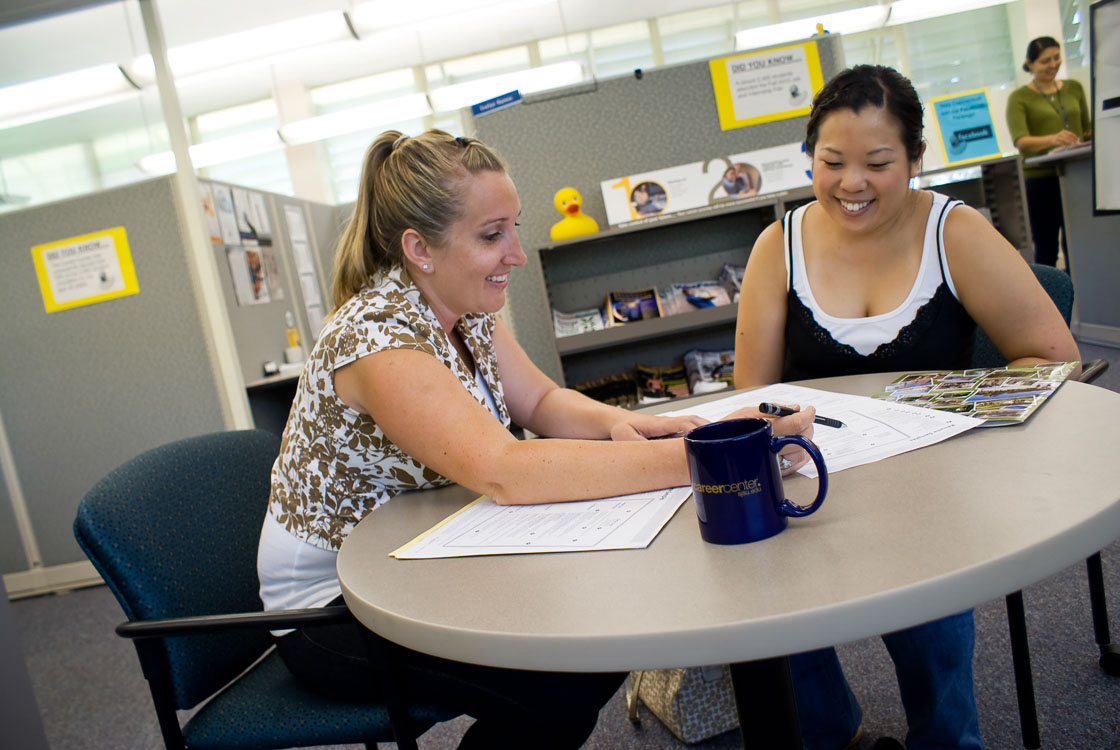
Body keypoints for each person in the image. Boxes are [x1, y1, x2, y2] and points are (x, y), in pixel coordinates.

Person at [258, 129, 815, 749]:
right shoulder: (376, 336)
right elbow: (506, 469)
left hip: (418, 550)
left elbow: (542, 401)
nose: (517, 255)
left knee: (587, 636)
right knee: (563, 674)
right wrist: (704, 458)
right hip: (336, 604)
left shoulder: (461, 305)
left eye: (513, 228)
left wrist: (620, 425)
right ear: (419, 248)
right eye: (492, 235)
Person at [733, 65, 1081, 750]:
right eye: (830, 162)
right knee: (770, 616)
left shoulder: (954, 231)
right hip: (813, 491)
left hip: (931, 494)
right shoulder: (779, 245)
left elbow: (1052, 357)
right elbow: (752, 399)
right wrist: (775, 424)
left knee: (933, 636)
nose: (850, 183)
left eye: (878, 163)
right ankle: (840, 734)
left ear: (916, 160)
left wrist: (944, 403)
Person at [1006, 36, 1092, 270]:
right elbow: (1021, 140)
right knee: (1046, 247)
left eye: (1056, 58)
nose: (1053, 64)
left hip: (1078, 176)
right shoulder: (1019, 98)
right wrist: (1053, 139)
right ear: (1030, 64)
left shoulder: (1074, 88)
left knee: (1081, 242)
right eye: (1045, 61)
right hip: (1041, 181)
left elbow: (1087, 129)